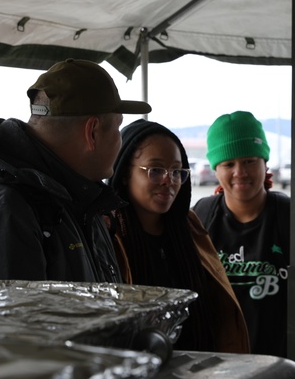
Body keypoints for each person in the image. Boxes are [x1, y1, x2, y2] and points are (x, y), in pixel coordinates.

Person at [0, 58, 150, 287]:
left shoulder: (73, 199)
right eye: (117, 127)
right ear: (92, 132)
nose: (119, 139)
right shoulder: (1, 216)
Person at [107, 119, 249, 353]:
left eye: (176, 171)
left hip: (198, 370)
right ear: (124, 173)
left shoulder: (189, 227)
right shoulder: (108, 233)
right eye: (155, 170)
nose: (168, 180)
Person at [193, 111, 290, 357]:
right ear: (216, 169)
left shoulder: (289, 216)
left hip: (278, 366)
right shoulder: (201, 216)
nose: (240, 172)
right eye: (229, 164)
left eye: (249, 161)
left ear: (265, 163)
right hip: (215, 366)